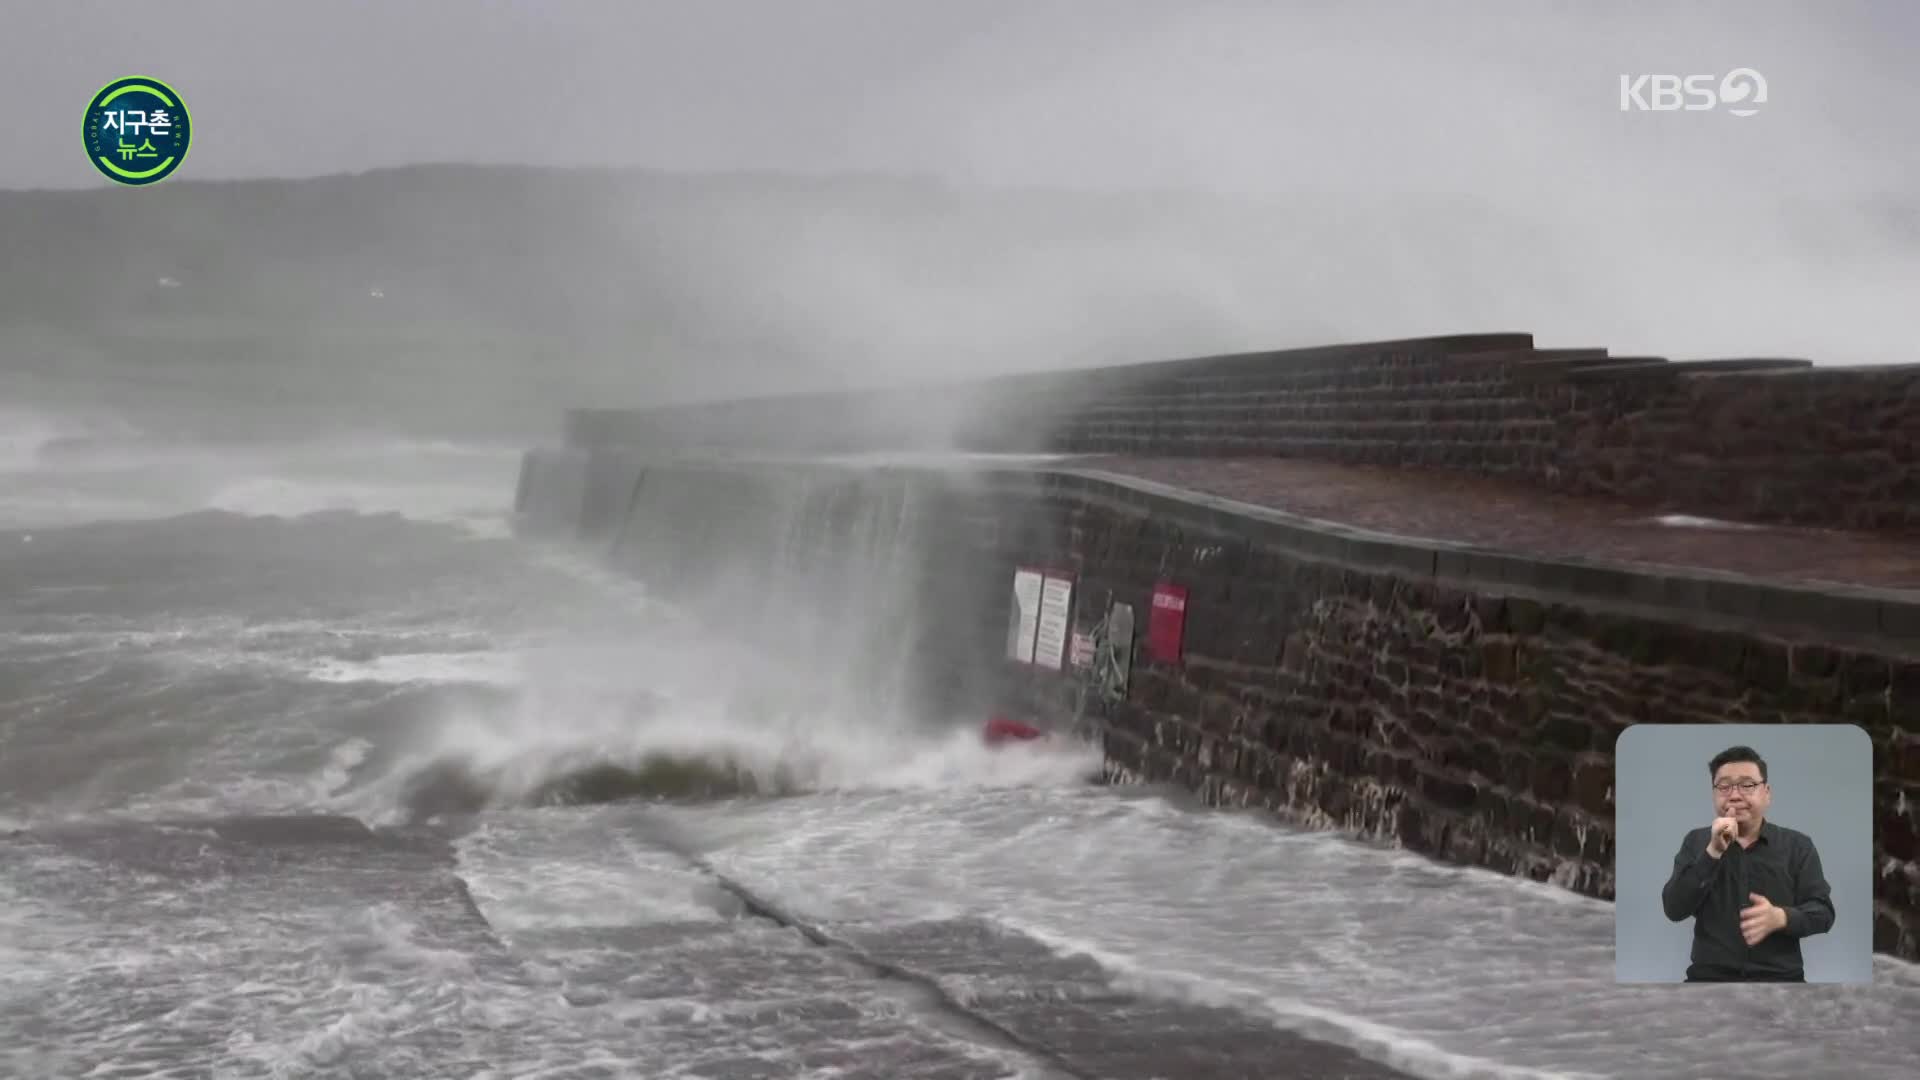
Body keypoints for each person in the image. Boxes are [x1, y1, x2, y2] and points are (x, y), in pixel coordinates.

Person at [1660, 745, 1835, 982]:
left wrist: (1781, 917)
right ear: (1714, 793)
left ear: (1767, 792)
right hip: (1709, 982)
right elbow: (1674, 908)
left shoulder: (1798, 846)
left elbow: (1824, 913)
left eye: (1747, 785)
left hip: (1780, 982)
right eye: (1724, 786)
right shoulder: (1696, 842)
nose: (1734, 795)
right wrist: (1713, 852)